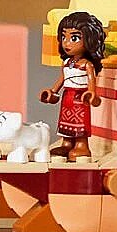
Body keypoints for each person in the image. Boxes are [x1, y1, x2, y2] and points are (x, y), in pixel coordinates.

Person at [39, 10, 105, 161]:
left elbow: (91, 81)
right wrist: (52, 91)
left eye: (74, 38)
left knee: (79, 122)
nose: (66, 43)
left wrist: (91, 93)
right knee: (65, 121)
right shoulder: (67, 62)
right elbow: (63, 79)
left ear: (89, 40)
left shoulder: (87, 65)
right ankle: (67, 143)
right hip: (67, 96)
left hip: (80, 97)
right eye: (64, 37)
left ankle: (82, 145)